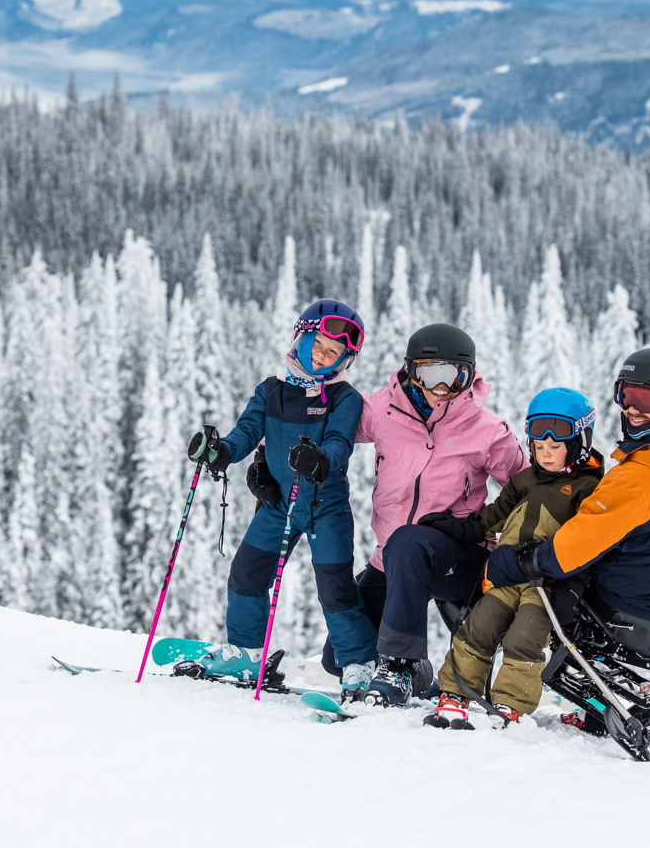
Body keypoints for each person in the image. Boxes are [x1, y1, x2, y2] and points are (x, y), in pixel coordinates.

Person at [484, 347, 650, 666]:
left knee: (556, 574)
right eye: (625, 395)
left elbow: (568, 552)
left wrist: (512, 562)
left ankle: (508, 656)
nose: (631, 409)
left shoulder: (637, 477)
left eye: (646, 399)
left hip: (629, 619)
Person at [183, 299, 380, 695]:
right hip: (278, 507)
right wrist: (221, 451)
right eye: (319, 345)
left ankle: (359, 664)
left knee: (335, 586)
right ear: (302, 337)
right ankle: (247, 655)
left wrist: (320, 459)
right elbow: (246, 433)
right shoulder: (271, 390)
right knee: (246, 574)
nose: (322, 356)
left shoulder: (345, 397)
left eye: (334, 353)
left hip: (327, 508)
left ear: (344, 361)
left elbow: (341, 442)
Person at [333, 323, 526, 707]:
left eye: (456, 376)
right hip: (394, 558)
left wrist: (486, 530)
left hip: (459, 555)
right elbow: (325, 421)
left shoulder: (486, 430)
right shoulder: (382, 412)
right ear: (410, 371)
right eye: (430, 374)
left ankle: (399, 666)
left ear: (470, 375)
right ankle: (419, 672)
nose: (443, 389)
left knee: (409, 539)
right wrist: (267, 452)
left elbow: (527, 489)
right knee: (343, 653)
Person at [422, 387, 605, 730]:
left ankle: (510, 703)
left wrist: (574, 588)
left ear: (579, 443)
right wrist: (458, 528)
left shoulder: (588, 489)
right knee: (478, 627)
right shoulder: (525, 480)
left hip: (546, 586)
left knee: (525, 639)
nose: (546, 454)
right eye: (538, 447)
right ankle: (456, 692)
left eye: (555, 447)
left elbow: (588, 544)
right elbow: (492, 517)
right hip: (507, 576)